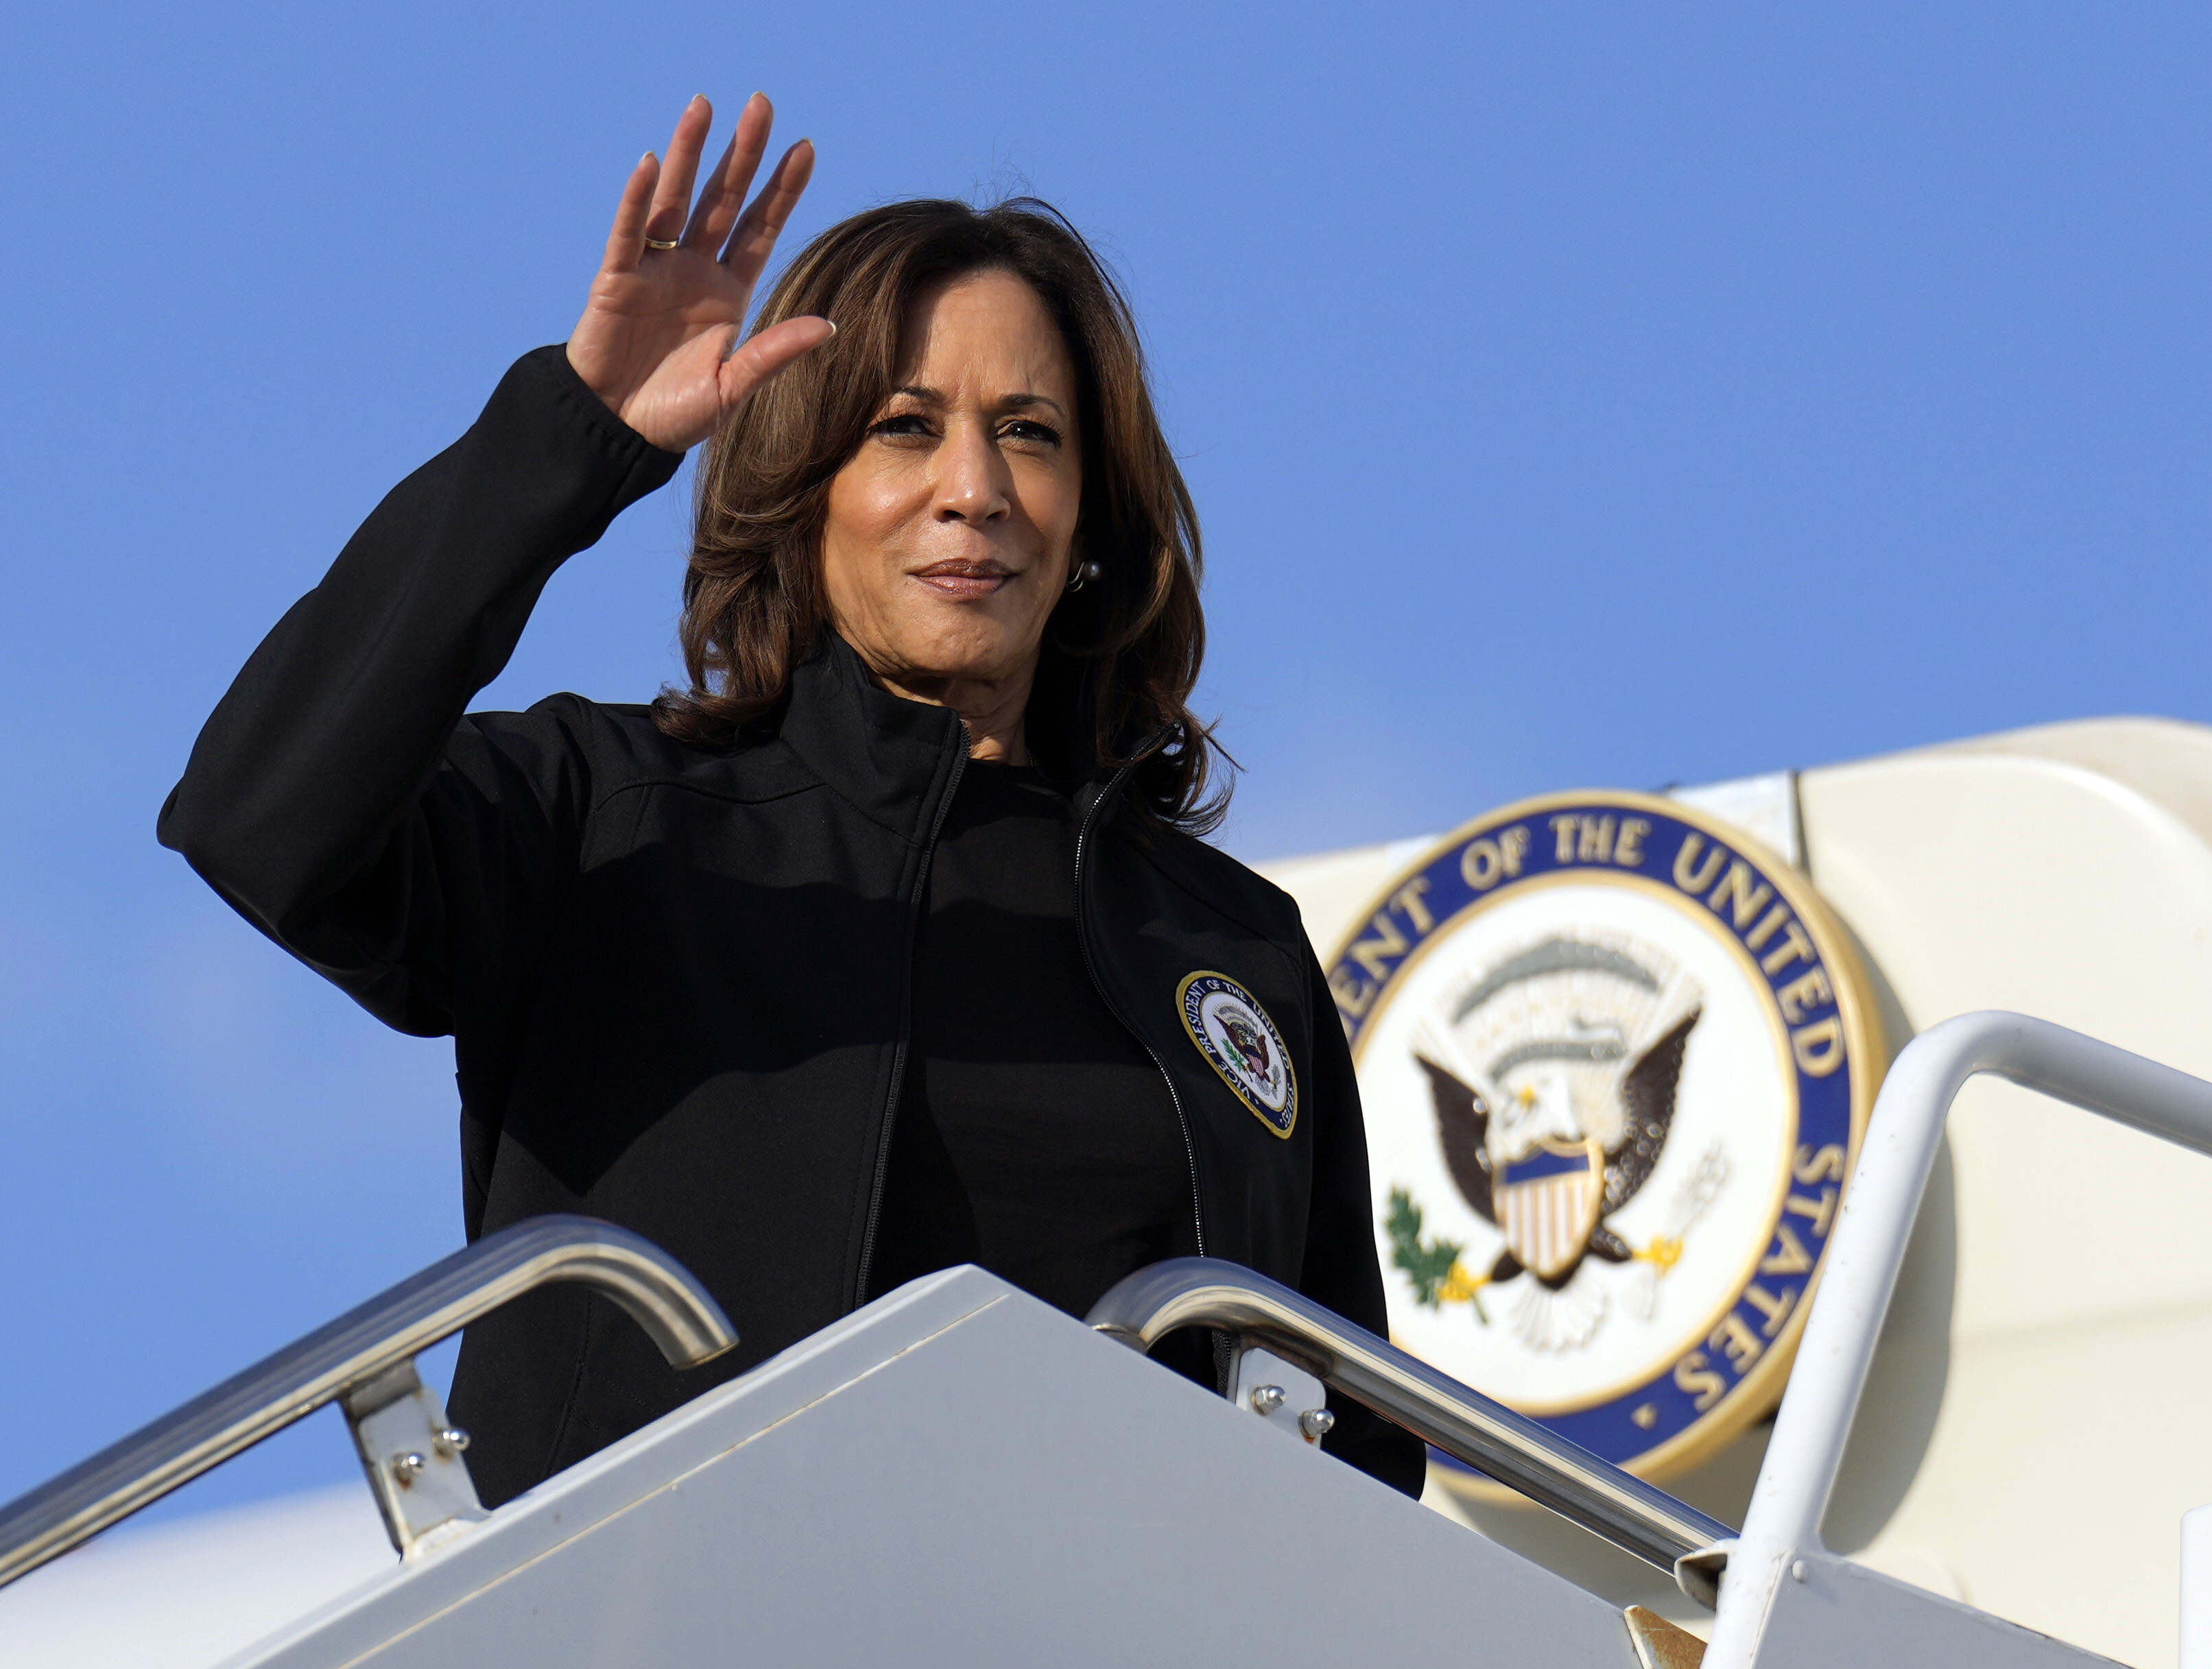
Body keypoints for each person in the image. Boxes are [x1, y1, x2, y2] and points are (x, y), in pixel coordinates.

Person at [160, 93, 1423, 1503]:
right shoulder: (607, 816)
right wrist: (568, 446)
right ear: (801, 483)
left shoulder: (1228, 944)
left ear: (1089, 521)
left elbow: (1353, 1447)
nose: (972, 488)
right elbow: (256, 814)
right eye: (901, 426)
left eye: (1028, 432)